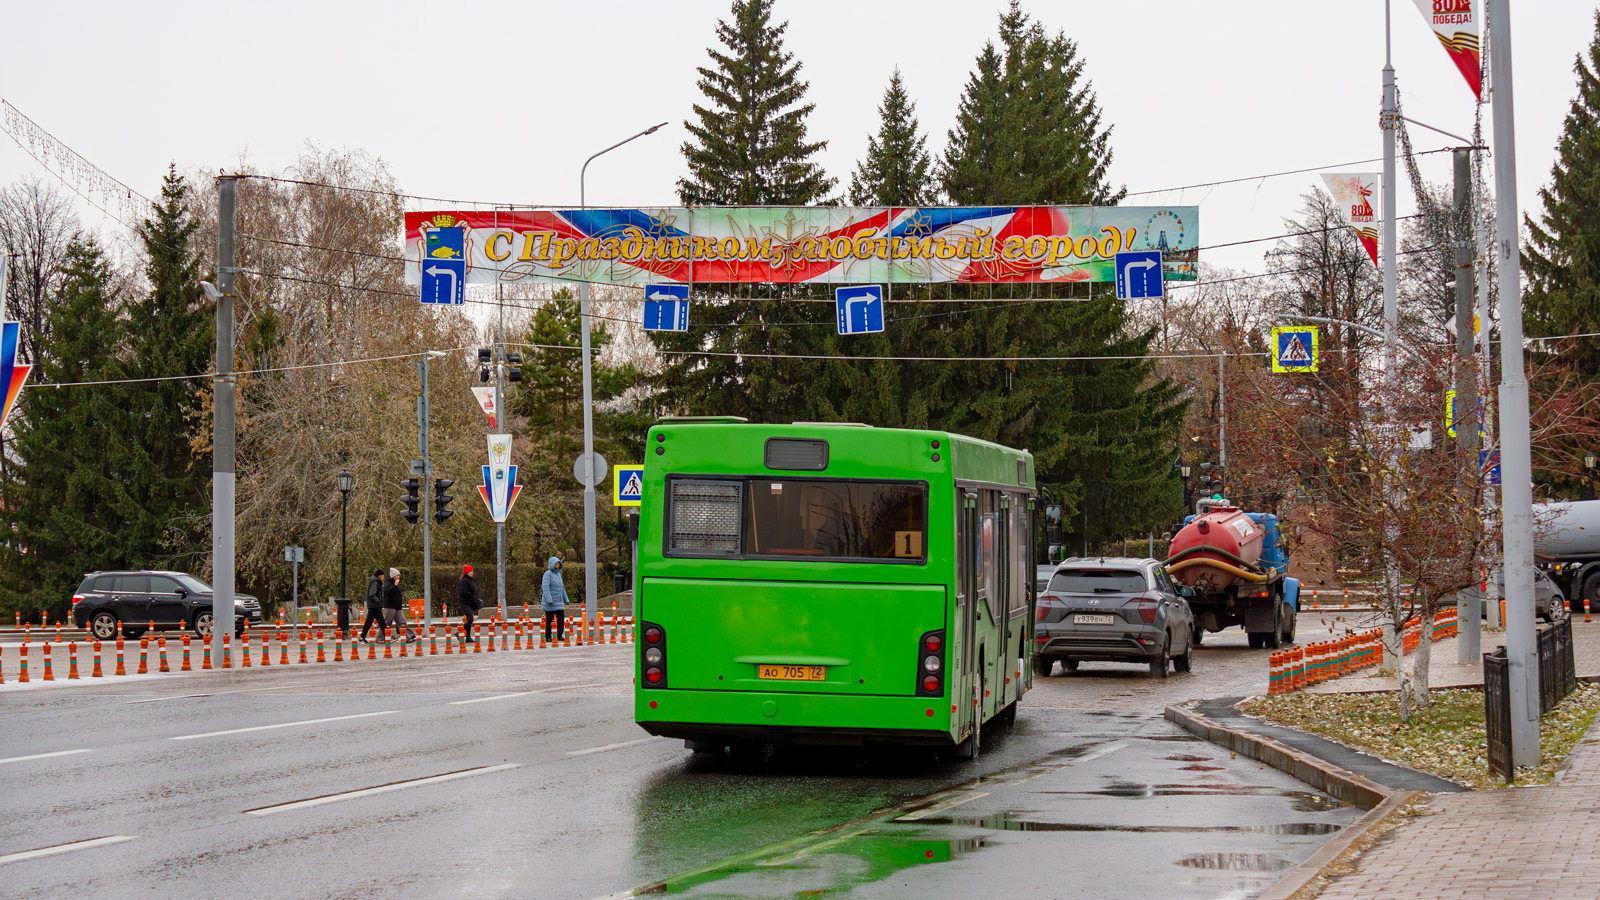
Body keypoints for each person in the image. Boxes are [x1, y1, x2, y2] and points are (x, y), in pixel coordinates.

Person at [383, 568, 417, 642]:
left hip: (397, 606)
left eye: (399, 575)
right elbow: (387, 592)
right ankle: (381, 637)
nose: (398, 577)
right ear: (393, 576)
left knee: (402, 622)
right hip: (390, 606)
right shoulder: (388, 583)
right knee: (387, 622)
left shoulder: (397, 583)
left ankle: (409, 636)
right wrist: (394, 586)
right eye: (397, 575)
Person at [541, 556, 568, 643]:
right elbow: (545, 588)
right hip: (550, 603)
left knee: (561, 619)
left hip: (559, 602)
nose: (557, 565)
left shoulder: (558, 575)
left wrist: (566, 599)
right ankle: (548, 636)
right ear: (552, 564)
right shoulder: (547, 574)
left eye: (558, 564)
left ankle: (559, 635)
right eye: (556, 564)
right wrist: (549, 600)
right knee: (549, 620)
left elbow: (562, 588)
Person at [456, 564, 482, 642]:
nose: (472, 572)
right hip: (464, 603)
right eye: (471, 571)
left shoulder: (470, 580)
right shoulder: (464, 581)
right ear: (467, 572)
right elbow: (463, 591)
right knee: (470, 619)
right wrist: (471, 595)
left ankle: (468, 637)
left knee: (469, 619)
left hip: (470, 603)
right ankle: (459, 632)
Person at [360, 569, 387, 643]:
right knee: (370, 621)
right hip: (374, 606)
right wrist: (378, 601)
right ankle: (362, 637)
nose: (383, 577)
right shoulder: (375, 582)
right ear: (379, 576)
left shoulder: (376, 582)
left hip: (375, 606)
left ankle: (387, 636)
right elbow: (372, 594)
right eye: (382, 576)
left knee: (381, 622)